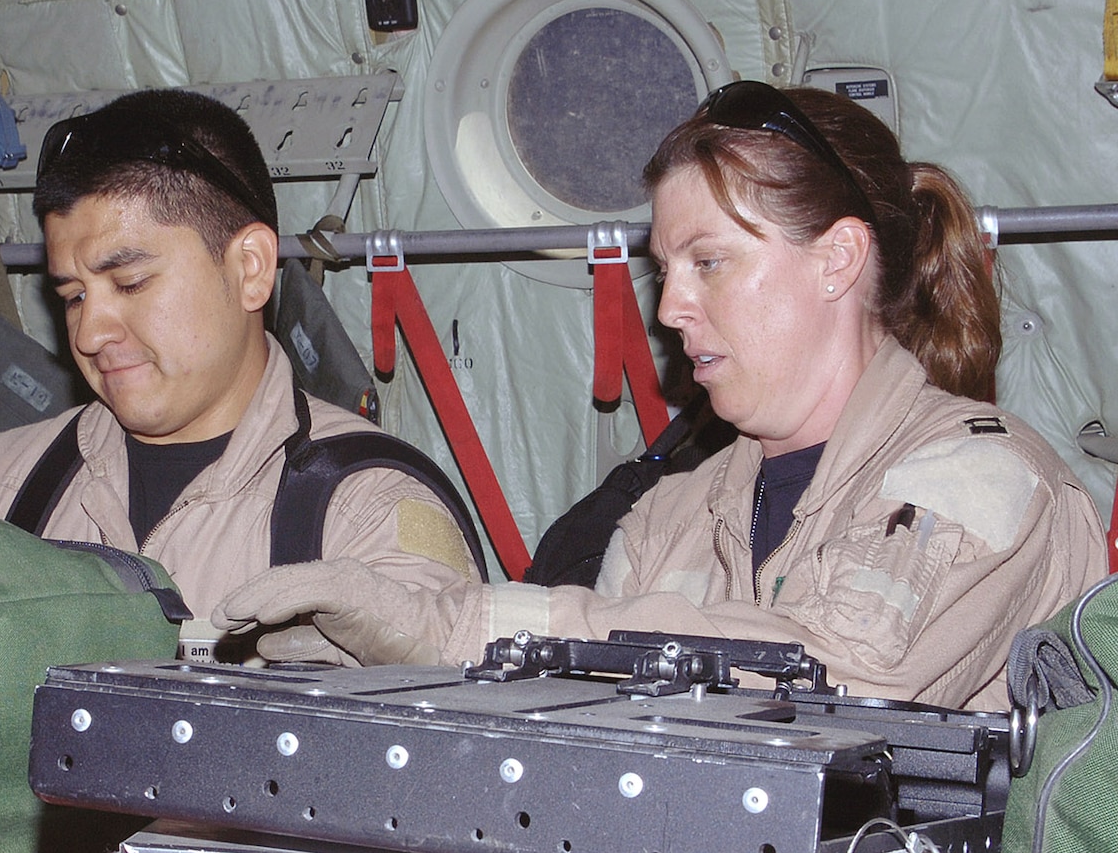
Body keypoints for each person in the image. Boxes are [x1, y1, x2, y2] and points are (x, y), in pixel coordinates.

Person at [219, 82, 1106, 709]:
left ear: (837, 259)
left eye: (709, 262)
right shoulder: (667, 515)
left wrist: (451, 626)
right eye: (664, 269)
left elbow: (837, 679)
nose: (672, 306)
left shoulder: (986, 481)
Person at [0, 89, 480, 639]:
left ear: (250, 269)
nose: (91, 332)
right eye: (73, 295)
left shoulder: (368, 516)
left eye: (130, 283)